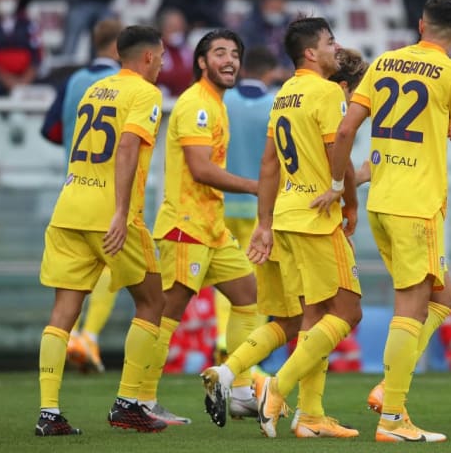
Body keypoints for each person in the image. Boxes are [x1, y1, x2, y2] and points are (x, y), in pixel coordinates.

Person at [313, 0, 451, 442]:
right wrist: (450, 129)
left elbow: (347, 129)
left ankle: (390, 386)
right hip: (418, 206)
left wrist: (337, 186)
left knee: (440, 300)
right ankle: (392, 418)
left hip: (381, 203)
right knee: (412, 305)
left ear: (420, 25)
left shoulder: (385, 62)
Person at [201, 45, 369, 438]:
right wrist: (352, 195)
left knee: (305, 318)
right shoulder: (326, 95)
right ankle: (276, 388)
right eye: (354, 94)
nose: (354, 104)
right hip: (314, 218)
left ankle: (295, 407)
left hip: (282, 214)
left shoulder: (284, 96)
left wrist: (264, 221)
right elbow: (336, 155)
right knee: (346, 312)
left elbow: (269, 163)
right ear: (343, 85)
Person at [36, 25, 167, 436]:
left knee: (63, 313)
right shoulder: (146, 93)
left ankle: (49, 412)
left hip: (69, 206)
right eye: (161, 57)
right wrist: (122, 210)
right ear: (148, 57)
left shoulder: (95, 89)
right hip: (110, 214)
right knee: (152, 302)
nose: (162, 63)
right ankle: (128, 403)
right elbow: (127, 146)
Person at [136, 29, 259, 426]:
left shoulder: (216, 104)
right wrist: (256, 186)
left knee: (249, 297)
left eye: (235, 53)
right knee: (167, 314)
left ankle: (239, 390)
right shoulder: (196, 105)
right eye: (219, 52)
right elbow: (200, 169)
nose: (230, 60)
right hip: (185, 226)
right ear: (202, 62)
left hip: (212, 227)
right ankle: (140, 401)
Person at [40, 17, 124, 374]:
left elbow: (50, 128)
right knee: (111, 265)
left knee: (71, 276)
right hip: (108, 193)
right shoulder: (123, 84)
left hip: (72, 187)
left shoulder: (73, 80)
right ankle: (89, 334)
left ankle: (71, 334)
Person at [216, 46, 280, 369]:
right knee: (258, 280)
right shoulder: (275, 104)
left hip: (225, 201)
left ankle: (221, 339)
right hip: (262, 208)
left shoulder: (224, 102)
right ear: (270, 72)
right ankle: (249, 353)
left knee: (225, 277)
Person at [0, 0, 41, 95]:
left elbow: (37, 56)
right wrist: (8, 80)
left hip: (26, 81)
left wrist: (24, 81)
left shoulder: (29, 24)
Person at [54, 0, 118, 59]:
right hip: (80, 2)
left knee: (104, 41)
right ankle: (64, 68)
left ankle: (101, 68)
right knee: (70, 42)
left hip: (104, 3)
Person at [156, 7, 194, 97]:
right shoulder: (156, 51)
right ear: (163, 29)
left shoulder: (188, 50)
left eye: (180, 28)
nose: (177, 32)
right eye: (173, 28)